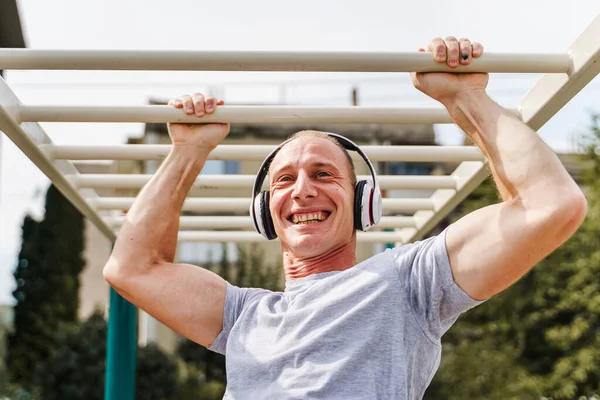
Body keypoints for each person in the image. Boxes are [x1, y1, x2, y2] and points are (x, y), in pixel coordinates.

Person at [103, 37, 587, 399]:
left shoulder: (406, 283)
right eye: (284, 180)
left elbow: (550, 204)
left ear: (362, 202)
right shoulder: (243, 316)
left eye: (322, 173)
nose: (303, 190)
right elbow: (131, 268)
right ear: (265, 212)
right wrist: (187, 153)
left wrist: (466, 100)